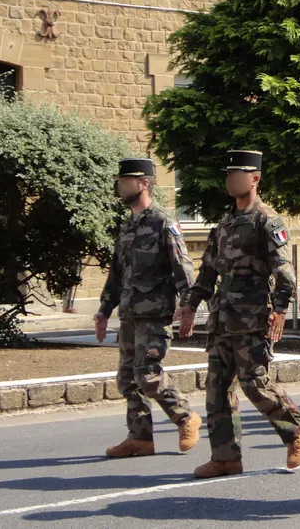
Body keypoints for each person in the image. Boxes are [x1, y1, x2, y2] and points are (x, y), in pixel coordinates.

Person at [179, 150, 300, 478]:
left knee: (255, 383)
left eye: (238, 174)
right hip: (222, 319)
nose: (230, 180)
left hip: (253, 318)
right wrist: (190, 306)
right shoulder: (223, 225)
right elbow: (208, 273)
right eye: (229, 174)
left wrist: (280, 310)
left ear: (254, 178)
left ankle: (296, 431)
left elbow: (286, 274)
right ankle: (225, 456)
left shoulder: (267, 220)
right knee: (217, 388)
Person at [95, 158, 201, 459]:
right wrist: (104, 310)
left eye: (125, 179)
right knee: (128, 379)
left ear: (144, 183)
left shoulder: (163, 223)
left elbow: (182, 266)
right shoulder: (127, 228)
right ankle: (140, 438)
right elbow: (117, 274)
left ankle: (185, 417)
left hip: (154, 314)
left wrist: (188, 305)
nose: (120, 184)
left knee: (148, 375)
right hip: (129, 313)